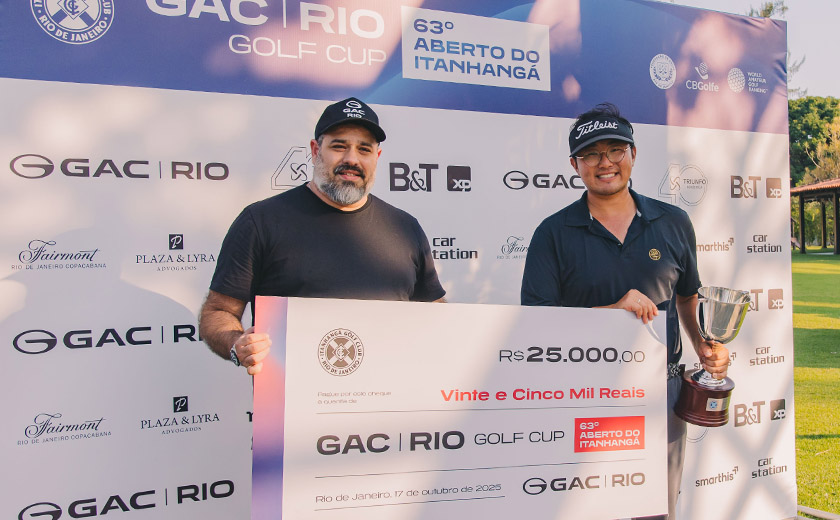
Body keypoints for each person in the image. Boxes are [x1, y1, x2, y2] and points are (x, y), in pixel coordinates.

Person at [520, 103, 729, 520]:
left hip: (661, 390)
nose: (605, 162)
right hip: (581, 392)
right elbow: (536, 323)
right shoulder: (552, 233)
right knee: (585, 508)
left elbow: (687, 295)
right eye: (591, 154)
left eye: (615, 149)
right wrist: (611, 313)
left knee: (656, 508)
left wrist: (704, 345)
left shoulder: (673, 222)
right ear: (575, 165)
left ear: (633, 153)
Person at [199, 97, 445, 375]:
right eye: (339, 146)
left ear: (376, 157)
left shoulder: (405, 227)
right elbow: (218, 311)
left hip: (390, 393)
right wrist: (237, 344)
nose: (351, 159)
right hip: (293, 398)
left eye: (364, 149)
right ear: (316, 150)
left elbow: (434, 311)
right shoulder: (260, 221)